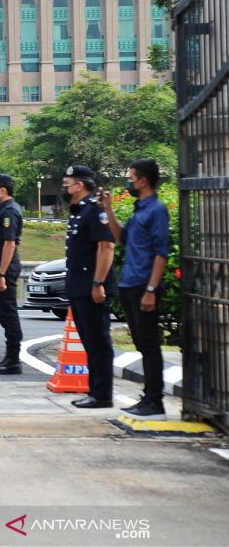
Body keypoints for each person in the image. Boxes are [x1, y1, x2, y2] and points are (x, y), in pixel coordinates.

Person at [99, 158, 170, 420]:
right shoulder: (140, 209)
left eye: (130, 177)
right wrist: (108, 210)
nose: (128, 182)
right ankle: (148, 397)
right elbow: (122, 238)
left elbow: (161, 253)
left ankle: (155, 402)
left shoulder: (157, 210)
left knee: (150, 345)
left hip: (143, 285)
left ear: (143, 180)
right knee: (142, 344)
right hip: (130, 283)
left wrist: (151, 289)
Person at [61, 165, 115, 408]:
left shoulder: (96, 210)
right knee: (89, 343)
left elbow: (106, 247)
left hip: (91, 286)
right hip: (78, 285)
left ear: (79, 185)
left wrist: (98, 282)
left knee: (98, 342)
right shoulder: (79, 211)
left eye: (67, 184)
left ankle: (102, 394)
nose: (65, 188)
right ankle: (95, 391)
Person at [0, 173, 24, 374]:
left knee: (8, 313)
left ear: (3, 190)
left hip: (5, 266)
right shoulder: (3, 210)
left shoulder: (10, 211)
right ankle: (10, 357)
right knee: (4, 312)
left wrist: (2, 274)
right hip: (1, 264)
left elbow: (10, 243)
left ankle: (13, 359)